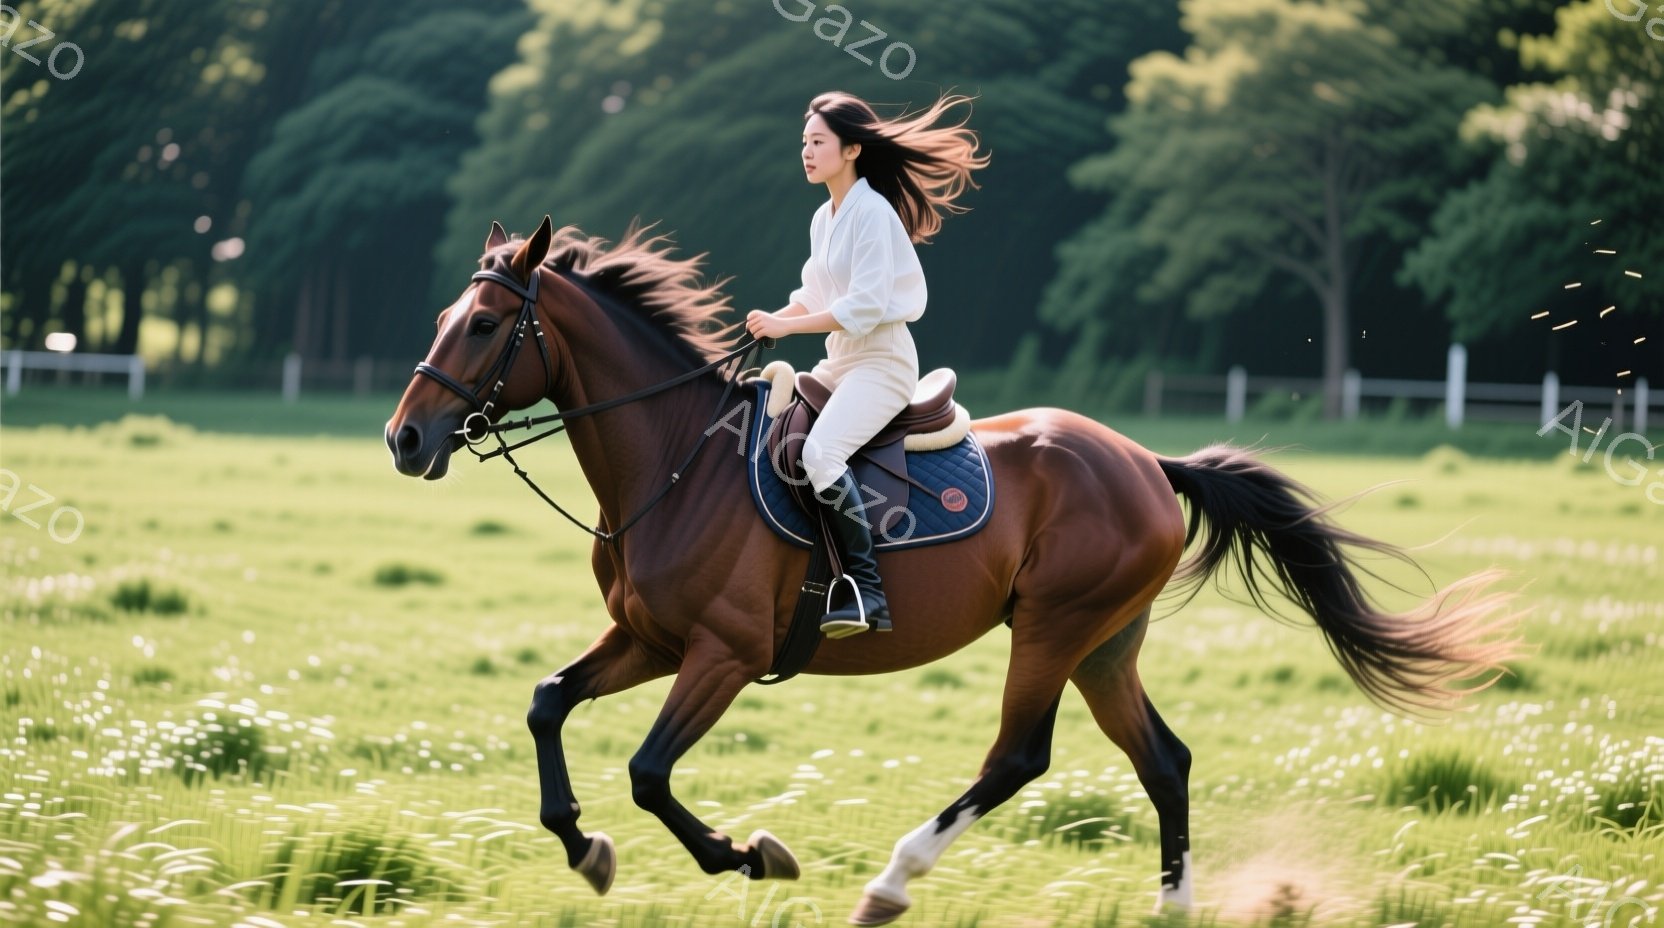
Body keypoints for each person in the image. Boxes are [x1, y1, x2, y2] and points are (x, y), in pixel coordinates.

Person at [746, 90, 988, 638]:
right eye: (804, 143)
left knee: (821, 452)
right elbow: (811, 295)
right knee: (771, 439)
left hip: (883, 365)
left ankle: (866, 590)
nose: (806, 152)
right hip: (841, 363)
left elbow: (864, 307)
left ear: (852, 148)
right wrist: (770, 321)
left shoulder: (873, 213)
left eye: (818, 142)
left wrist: (787, 327)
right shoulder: (824, 216)